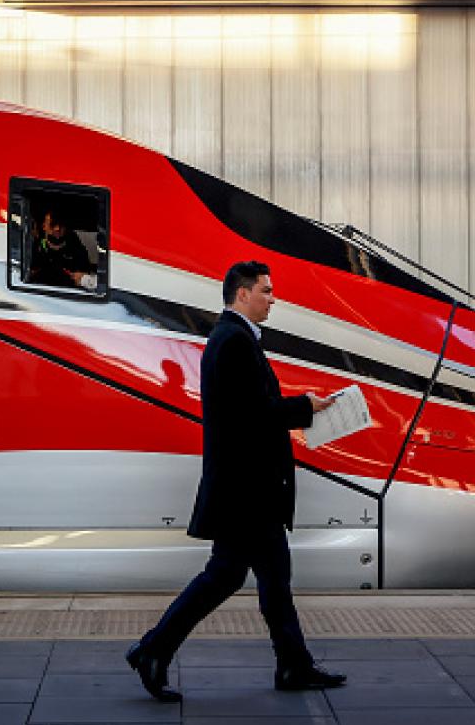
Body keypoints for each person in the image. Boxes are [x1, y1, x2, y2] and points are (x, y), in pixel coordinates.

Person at [126, 260, 346, 702]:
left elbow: (253, 406)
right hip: (248, 491)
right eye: (266, 291)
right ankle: (154, 649)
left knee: (266, 579)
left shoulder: (234, 339)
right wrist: (303, 407)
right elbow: (254, 415)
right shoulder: (234, 342)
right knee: (228, 577)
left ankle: (292, 665)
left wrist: (304, 406)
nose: (272, 299)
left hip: (247, 489)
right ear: (242, 294)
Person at [27, 207, 96, 289]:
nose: (57, 228)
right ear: (44, 226)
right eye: (53, 224)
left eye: (61, 225)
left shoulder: (74, 244)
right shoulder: (36, 245)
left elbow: (84, 274)